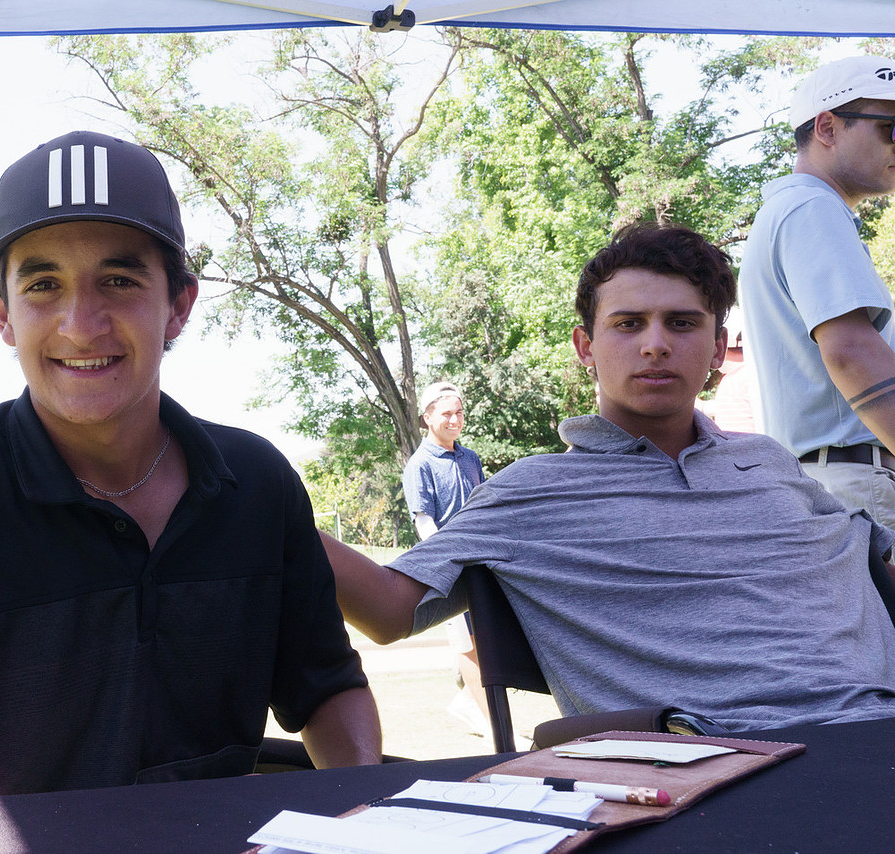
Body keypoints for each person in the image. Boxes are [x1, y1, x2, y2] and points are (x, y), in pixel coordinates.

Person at [0, 131, 381, 853]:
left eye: (119, 280)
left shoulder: (259, 485)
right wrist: (61, 837)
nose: (81, 325)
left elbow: (327, 689)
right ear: (2, 311)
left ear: (179, 305)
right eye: (43, 284)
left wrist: (362, 807)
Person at [323, 222, 895, 734]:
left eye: (681, 323)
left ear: (718, 348)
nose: (655, 344)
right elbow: (388, 609)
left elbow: (877, 560)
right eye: (628, 324)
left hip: (875, 727)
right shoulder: (532, 492)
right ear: (586, 347)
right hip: (706, 759)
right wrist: (280, 504)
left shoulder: (770, 463)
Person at [741, 55, 895, 528]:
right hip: (857, 480)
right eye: (891, 128)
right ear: (827, 127)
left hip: (836, 479)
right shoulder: (811, 208)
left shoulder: (792, 211)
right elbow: (851, 352)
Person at [401, 381, 490, 734]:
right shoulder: (419, 464)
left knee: (487, 640)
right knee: (466, 645)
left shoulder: (470, 458)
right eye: (447, 414)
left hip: (482, 563)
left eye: (459, 413)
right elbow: (424, 521)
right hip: (450, 569)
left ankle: (468, 700)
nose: (455, 420)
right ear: (427, 417)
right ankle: (494, 725)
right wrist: (449, 562)